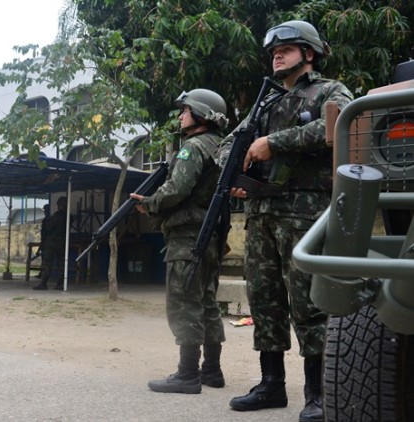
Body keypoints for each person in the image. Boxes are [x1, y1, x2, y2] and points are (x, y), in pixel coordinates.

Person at [225, 21, 353, 421]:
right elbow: (230, 143)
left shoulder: (330, 90)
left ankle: (317, 393)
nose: (277, 55)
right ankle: (271, 385)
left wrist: (272, 143)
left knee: (309, 302)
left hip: (305, 211)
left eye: (288, 48)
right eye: (274, 51)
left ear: (309, 53)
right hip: (262, 212)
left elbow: (338, 124)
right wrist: (237, 176)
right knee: (265, 301)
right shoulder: (264, 102)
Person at [129, 88, 229, 394]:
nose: (181, 116)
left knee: (185, 301)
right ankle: (211, 370)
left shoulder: (192, 147)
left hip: (187, 236)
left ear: (201, 115)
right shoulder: (218, 146)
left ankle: (187, 374)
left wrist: (150, 202)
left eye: (185, 110)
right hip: (209, 235)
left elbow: (177, 189)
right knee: (208, 302)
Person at [33, 197, 68, 291]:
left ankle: (44, 283)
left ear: (59, 205)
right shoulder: (68, 216)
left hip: (52, 242)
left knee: (47, 262)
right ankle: (60, 284)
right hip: (63, 242)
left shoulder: (56, 216)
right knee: (62, 263)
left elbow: (48, 228)